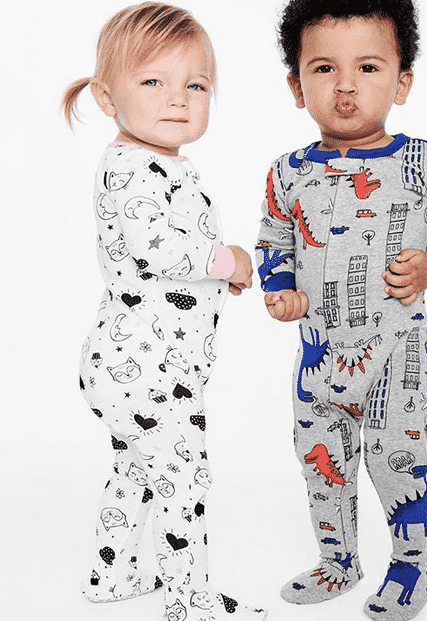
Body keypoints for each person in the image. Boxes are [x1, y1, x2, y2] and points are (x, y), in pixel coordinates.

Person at [255, 1, 427, 619]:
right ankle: (338, 560)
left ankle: (412, 566)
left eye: (367, 67)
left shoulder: (424, 162)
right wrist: (281, 289)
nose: (346, 86)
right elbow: (273, 241)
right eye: (324, 68)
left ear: (401, 82)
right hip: (318, 360)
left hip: (395, 359)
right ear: (296, 85)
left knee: (397, 462)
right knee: (320, 461)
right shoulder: (287, 172)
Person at [62, 3, 267, 620]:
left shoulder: (161, 164)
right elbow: (159, 248)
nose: (178, 98)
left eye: (196, 86)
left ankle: (112, 574)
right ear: (107, 97)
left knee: (137, 469)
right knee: (184, 476)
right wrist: (230, 261)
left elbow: (169, 260)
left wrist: (217, 280)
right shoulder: (130, 169)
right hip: (146, 366)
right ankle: (189, 599)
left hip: (146, 362)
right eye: (153, 81)